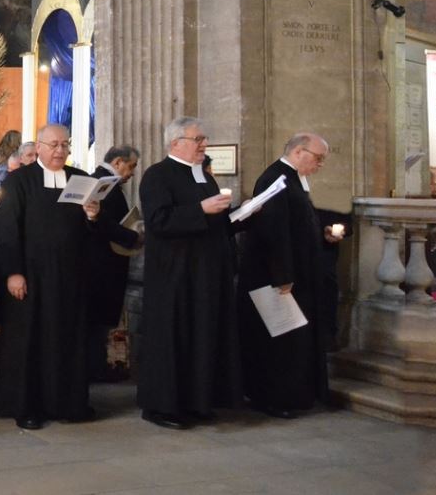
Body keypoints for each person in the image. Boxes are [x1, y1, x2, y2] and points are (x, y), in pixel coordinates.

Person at [0, 124, 131, 430]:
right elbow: (7, 230)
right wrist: (13, 272)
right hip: (32, 277)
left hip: (71, 276)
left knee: (69, 339)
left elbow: (94, 230)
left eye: (65, 145)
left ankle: (69, 404)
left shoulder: (79, 179)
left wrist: (93, 216)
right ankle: (28, 407)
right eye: (53, 145)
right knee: (31, 341)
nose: (60, 150)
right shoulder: (19, 180)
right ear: (39, 147)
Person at [136, 116, 240, 430]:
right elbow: (158, 220)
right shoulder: (157, 175)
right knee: (172, 338)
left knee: (202, 336)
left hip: (205, 274)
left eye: (203, 139)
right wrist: (201, 210)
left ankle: (198, 401)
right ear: (176, 143)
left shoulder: (204, 177)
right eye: (198, 139)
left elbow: (215, 223)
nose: (204, 144)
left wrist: (244, 214)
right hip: (174, 274)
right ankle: (162, 407)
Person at [238, 134, 343, 419]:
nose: (320, 164)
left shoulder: (293, 178)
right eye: (318, 158)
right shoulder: (275, 178)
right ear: (298, 151)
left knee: (295, 341)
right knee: (279, 343)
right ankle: (272, 398)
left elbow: (297, 223)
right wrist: (281, 275)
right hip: (277, 277)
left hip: (296, 273)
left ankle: (297, 395)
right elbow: (272, 231)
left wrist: (321, 234)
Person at [88, 145, 143, 381]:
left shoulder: (104, 180)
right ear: (118, 162)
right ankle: (97, 368)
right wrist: (133, 236)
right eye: (131, 167)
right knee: (98, 320)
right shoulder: (103, 183)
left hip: (106, 262)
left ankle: (100, 365)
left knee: (102, 319)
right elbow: (104, 223)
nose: (132, 173)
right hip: (102, 263)